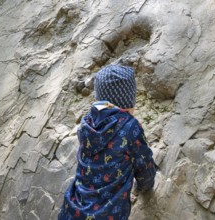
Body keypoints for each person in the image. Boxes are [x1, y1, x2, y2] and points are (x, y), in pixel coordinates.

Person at [58, 65, 156, 220]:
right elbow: (144, 166)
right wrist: (144, 187)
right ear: (127, 100)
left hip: (72, 209)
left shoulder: (87, 122)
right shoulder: (130, 128)